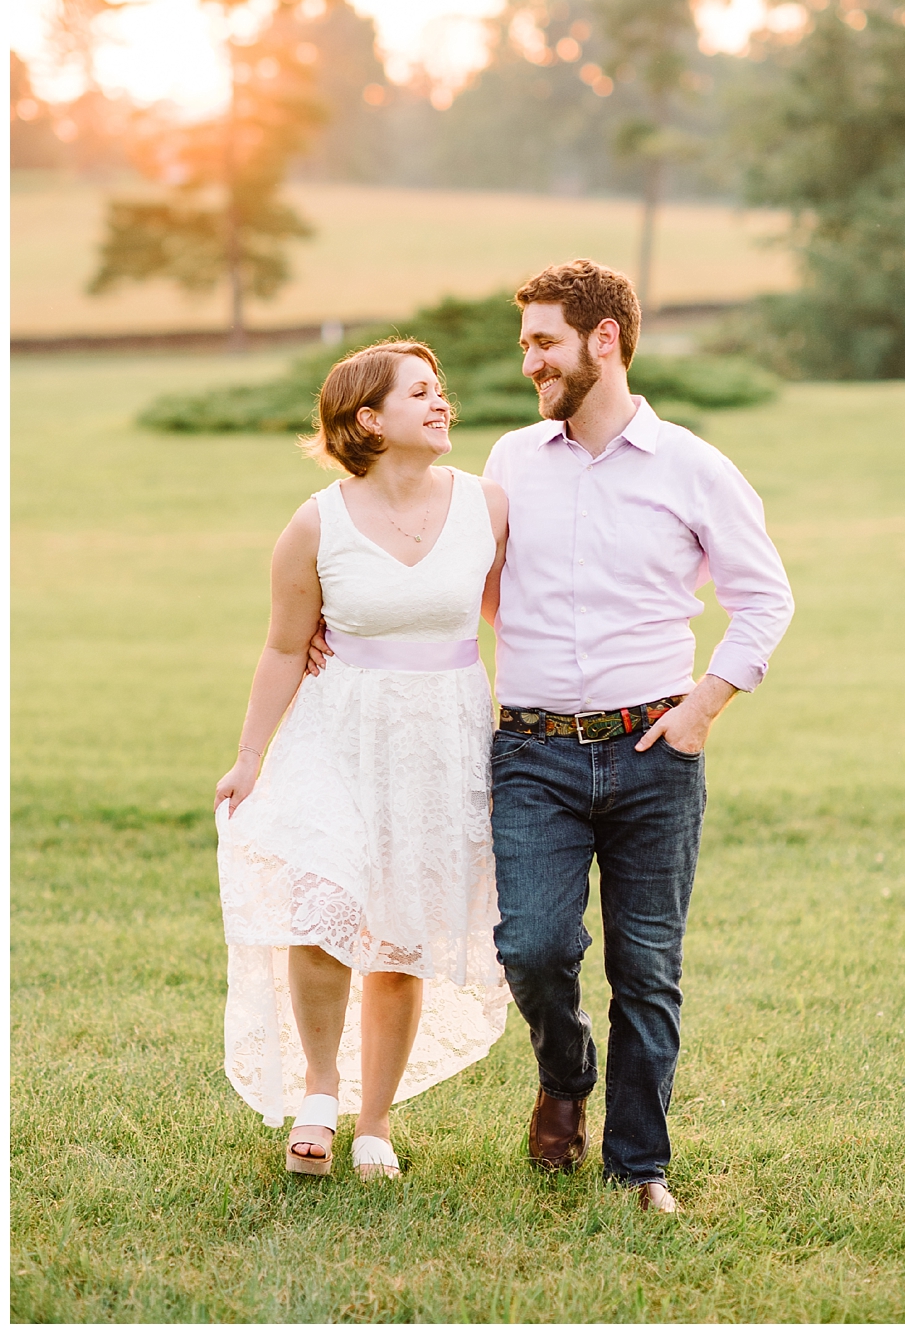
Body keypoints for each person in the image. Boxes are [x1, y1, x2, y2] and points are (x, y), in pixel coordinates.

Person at [481, 258, 794, 1213]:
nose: (529, 360)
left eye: (544, 341)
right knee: (532, 948)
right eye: (528, 341)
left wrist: (701, 708)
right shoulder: (508, 461)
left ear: (603, 339)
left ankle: (639, 1166)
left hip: (655, 756)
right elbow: (473, 582)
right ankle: (566, 1074)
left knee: (648, 968)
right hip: (532, 752)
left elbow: (763, 599)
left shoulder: (694, 466)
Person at [216, 340, 511, 1179]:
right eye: (421, 392)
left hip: (441, 740)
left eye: (441, 390)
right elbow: (282, 648)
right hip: (338, 734)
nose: (441, 403)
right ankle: (318, 1093)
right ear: (369, 419)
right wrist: (249, 757)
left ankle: (373, 1122)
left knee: (401, 935)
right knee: (322, 906)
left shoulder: (488, 506)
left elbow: (514, 617)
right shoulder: (316, 521)